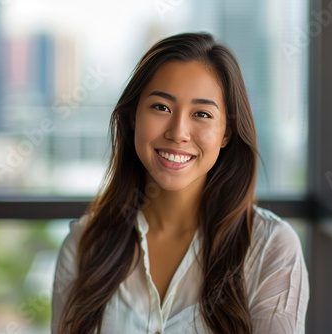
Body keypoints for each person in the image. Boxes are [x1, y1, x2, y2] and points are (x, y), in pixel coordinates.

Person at [51, 32, 309, 334]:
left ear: (226, 133)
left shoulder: (270, 249)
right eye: (161, 107)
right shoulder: (84, 246)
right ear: (133, 116)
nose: (178, 132)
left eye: (202, 113)